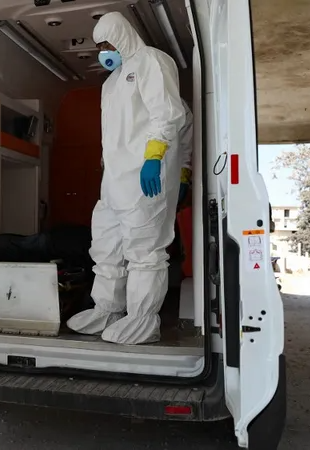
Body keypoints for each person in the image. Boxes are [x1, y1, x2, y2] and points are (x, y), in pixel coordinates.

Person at [66, 12, 186, 345]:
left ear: (123, 36)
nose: (104, 51)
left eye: (108, 43)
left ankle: (143, 320)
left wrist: (154, 157)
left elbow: (167, 114)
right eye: (99, 47)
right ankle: (107, 309)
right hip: (114, 181)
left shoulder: (152, 61)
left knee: (144, 249)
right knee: (106, 246)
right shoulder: (110, 83)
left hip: (145, 174)